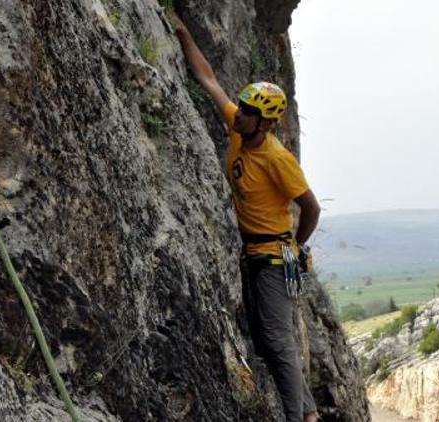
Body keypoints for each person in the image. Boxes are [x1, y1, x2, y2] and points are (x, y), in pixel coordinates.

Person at [171, 14, 321, 422]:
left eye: (250, 112)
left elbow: (311, 206)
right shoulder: (240, 129)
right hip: (255, 253)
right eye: (244, 108)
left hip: (273, 257)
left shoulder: (276, 157)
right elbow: (210, 81)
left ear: (267, 121)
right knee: (265, 339)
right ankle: (307, 412)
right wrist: (184, 33)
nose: (240, 115)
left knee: (278, 341)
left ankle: (299, 419)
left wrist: (297, 243)